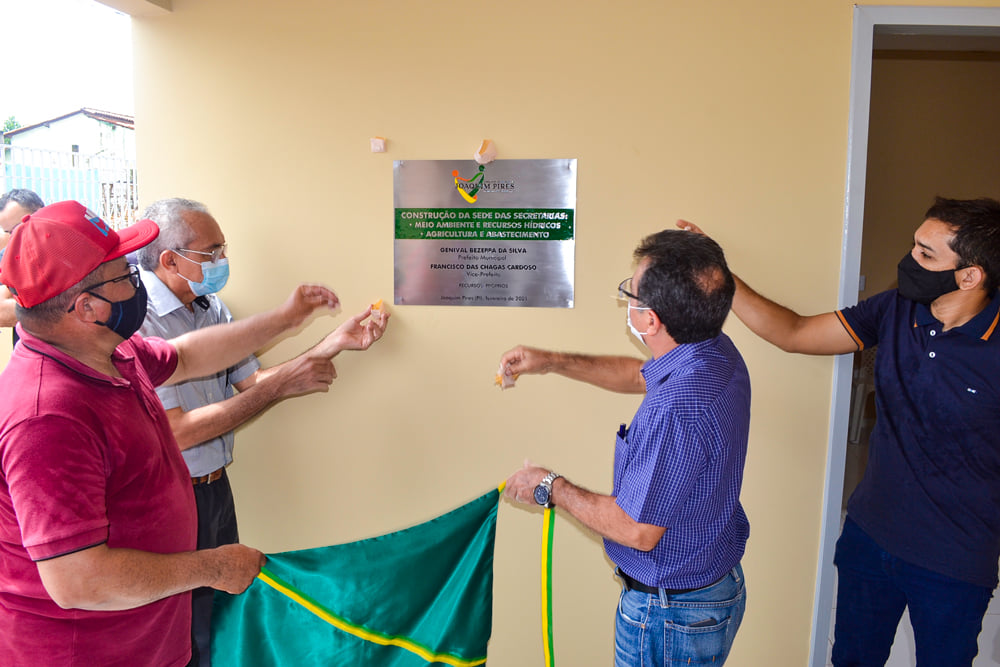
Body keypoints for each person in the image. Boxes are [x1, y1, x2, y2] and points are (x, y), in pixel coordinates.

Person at [0, 200, 354, 666]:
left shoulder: (112, 353)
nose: (136, 282)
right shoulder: (47, 416)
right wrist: (213, 566)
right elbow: (79, 581)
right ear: (86, 307)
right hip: (87, 652)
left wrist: (286, 318)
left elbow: (186, 356)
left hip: (150, 640)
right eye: (123, 276)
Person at [677, 196, 1000, 667]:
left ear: (970, 275)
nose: (910, 260)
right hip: (870, 539)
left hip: (954, 561)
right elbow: (793, 333)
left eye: (927, 255)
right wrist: (721, 275)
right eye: (915, 245)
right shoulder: (897, 308)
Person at [135, 197, 390, 666]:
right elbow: (180, 433)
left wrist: (334, 344)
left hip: (214, 491)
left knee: (222, 620)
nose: (222, 263)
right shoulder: (141, 321)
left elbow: (253, 384)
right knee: (176, 634)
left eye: (223, 250)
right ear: (169, 259)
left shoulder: (211, 308)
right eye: (210, 254)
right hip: (166, 499)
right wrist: (278, 390)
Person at [500, 229, 751, 666]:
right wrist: (552, 361)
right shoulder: (712, 351)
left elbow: (636, 529)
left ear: (651, 321)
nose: (628, 301)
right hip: (711, 590)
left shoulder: (678, 407)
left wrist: (550, 487)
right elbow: (641, 375)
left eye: (630, 293)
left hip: (670, 617)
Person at [0, 188, 44, 334]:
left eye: (19, 228)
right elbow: (1, 310)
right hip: (30, 348)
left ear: (42, 213)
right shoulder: (9, 256)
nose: (15, 238)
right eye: (9, 232)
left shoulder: (70, 246)